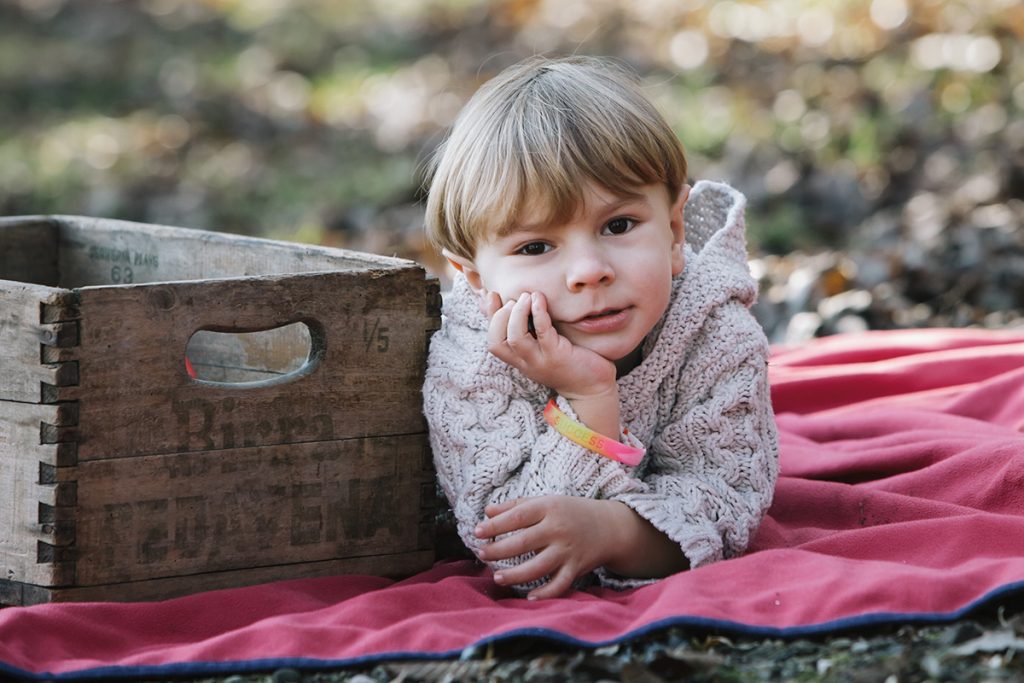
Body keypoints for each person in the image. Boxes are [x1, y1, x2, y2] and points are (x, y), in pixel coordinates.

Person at [421, 55, 779, 600]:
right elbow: (520, 550)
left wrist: (613, 533)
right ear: (474, 277)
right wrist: (589, 399)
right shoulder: (471, 358)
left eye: (619, 225)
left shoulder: (715, 332)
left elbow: (726, 499)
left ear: (675, 230)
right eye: (536, 246)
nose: (590, 271)